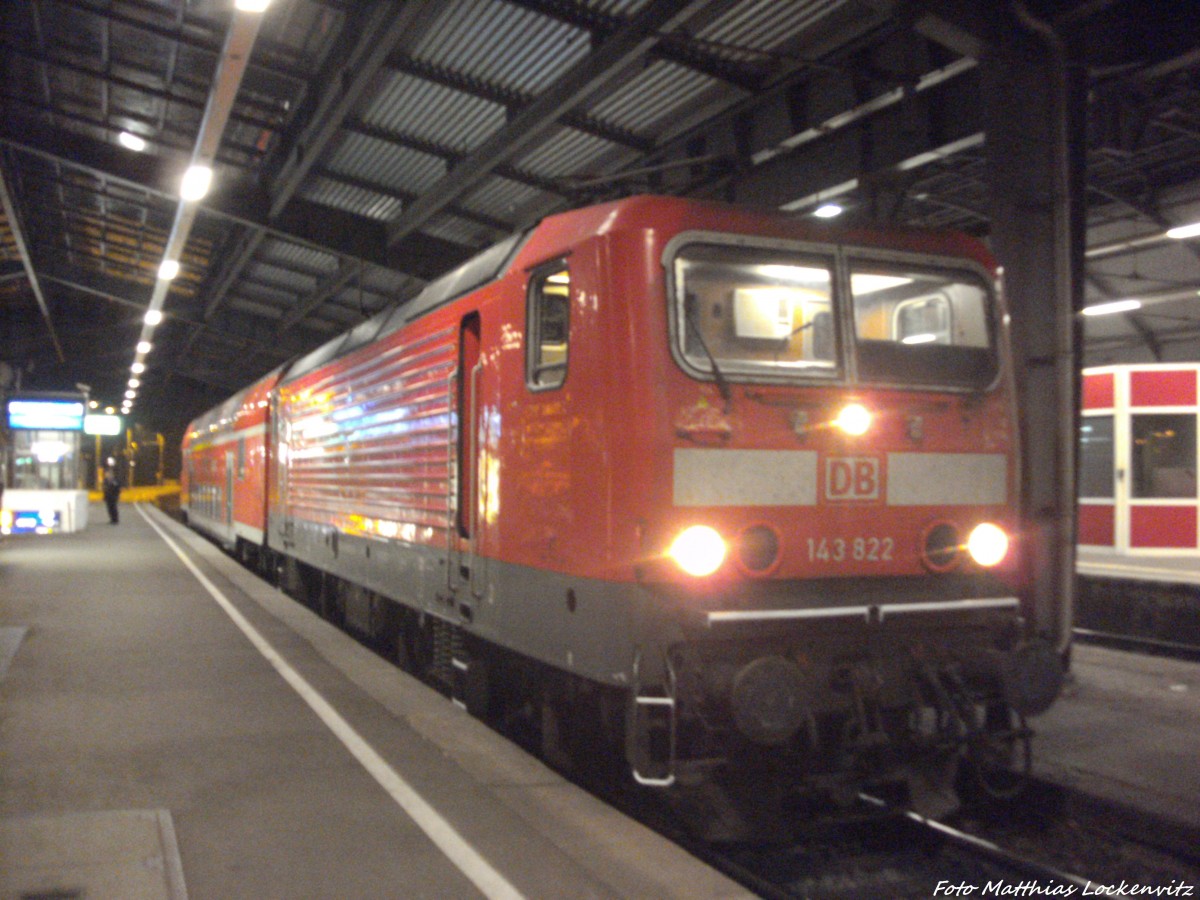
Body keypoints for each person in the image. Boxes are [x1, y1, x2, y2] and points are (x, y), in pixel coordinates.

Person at [102, 458, 122, 524]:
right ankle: (112, 519)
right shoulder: (107, 472)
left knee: (113, 506)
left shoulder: (115, 472)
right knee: (109, 506)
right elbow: (105, 484)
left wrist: (117, 492)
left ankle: (115, 519)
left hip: (113, 492)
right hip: (108, 493)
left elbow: (117, 485)